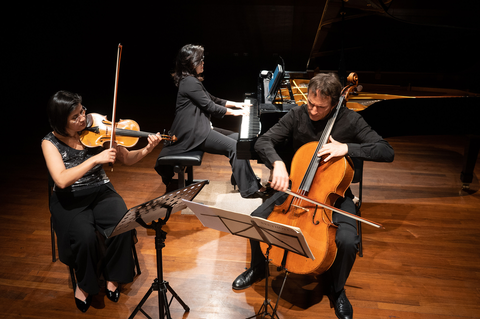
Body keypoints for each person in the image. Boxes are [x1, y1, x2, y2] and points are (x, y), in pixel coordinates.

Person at [231, 73, 395, 319]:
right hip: (297, 189)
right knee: (256, 220)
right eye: (310, 103)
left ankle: (336, 289)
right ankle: (259, 268)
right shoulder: (298, 113)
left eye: (321, 107)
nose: (313, 110)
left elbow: (386, 151)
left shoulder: (351, 120)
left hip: (333, 195)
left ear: (334, 103)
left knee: (348, 242)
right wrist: (277, 163)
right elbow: (264, 141)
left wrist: (347, 148)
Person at [42, 90, 162, 313]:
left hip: (100, 190)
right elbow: (60, 180)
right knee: (84, 237)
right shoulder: (49, 143)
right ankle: (85, 285)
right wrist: (96, 158)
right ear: (61, 121)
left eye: (82, 111)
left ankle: (114, 277)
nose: (83, 117)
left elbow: (127, 158)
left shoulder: (96, 126)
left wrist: (147, 148)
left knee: (123, 224)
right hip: (70, 198)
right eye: (75, 116)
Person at [155, 44, 268, 198]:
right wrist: (237, 113)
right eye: (200, 60)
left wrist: (237, 104)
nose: (203, 63)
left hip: (199, 126)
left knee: (239, 140)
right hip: (193, 133)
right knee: (235, 147)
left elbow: (212, 99)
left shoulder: (192, 80)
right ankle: (249, 190)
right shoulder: (189, 82)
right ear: (191, 63)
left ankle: (241, 177)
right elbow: (210, 107)